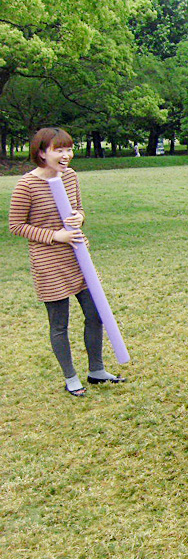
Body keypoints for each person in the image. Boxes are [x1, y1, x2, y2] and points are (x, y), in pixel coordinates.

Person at [8, 127, 126, 397]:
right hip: (48, 260)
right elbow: (16, 225)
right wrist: (54, 235)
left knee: (95, 313)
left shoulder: (71, 176)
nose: (66, 155)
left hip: (77, 254)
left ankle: (96, 370)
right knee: (59, 323)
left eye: (69, 149)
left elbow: (79, 208)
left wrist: (79, 219)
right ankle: (71, 377)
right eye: (58, 150)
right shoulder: (26, 184)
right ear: (41, 153)